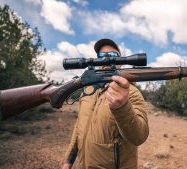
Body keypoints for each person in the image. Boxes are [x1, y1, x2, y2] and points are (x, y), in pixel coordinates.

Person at [62, 38, 149, 169]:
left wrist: (123, 107)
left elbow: (139, 137)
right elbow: (78, 127)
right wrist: (68, 161)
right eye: (102, 56)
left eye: (113, 55)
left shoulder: (131, 92)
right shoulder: (87, 91)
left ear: (120, 62)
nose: (107, 59)